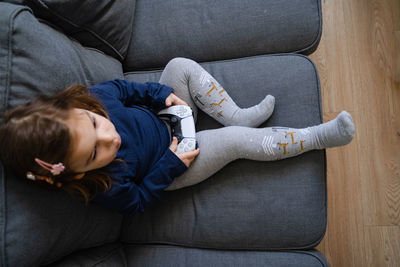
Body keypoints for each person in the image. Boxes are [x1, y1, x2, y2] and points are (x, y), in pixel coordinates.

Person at [0, 58, 355, 216]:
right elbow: (138, 200)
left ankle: (237, 113)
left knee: (180, 65)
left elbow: (125, 90)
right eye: (95, 153)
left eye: (96, 124)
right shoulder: (105, 186)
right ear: (78, 174)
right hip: (179, 158)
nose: (110, 139)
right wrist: (168, 167)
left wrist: (158, 95)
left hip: (169, 113)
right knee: (233, 141)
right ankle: (318, 136)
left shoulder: (95, 99)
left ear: (77, 104)